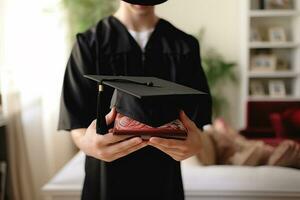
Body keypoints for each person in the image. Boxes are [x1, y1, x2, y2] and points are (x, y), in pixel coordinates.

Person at [58, 0, 212, 199]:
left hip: (163, 179)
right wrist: (88, 144)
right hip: (106, 180)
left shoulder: (184, 45)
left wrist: (196, 143)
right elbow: (76, 120)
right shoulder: (89, 43)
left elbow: (196, 121)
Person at [196, 118, 300, 168]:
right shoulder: (214, 134)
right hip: (237, 158)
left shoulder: (212, 130)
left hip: (243, 150)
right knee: (285, 149)